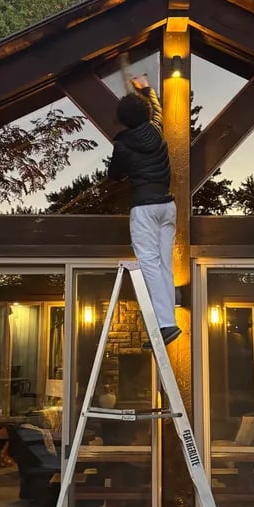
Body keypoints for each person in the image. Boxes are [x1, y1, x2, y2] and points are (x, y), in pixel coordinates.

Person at [107, 75, 181, 347]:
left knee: (149, 262)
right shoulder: (156, 129)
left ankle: (165, 324)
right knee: (164, 262)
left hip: (145, 207)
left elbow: (114, 175)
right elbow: (157, 110)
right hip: (167, 205)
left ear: (123, 119)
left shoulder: (123, 144)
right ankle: (168, 315)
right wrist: (147, 88)